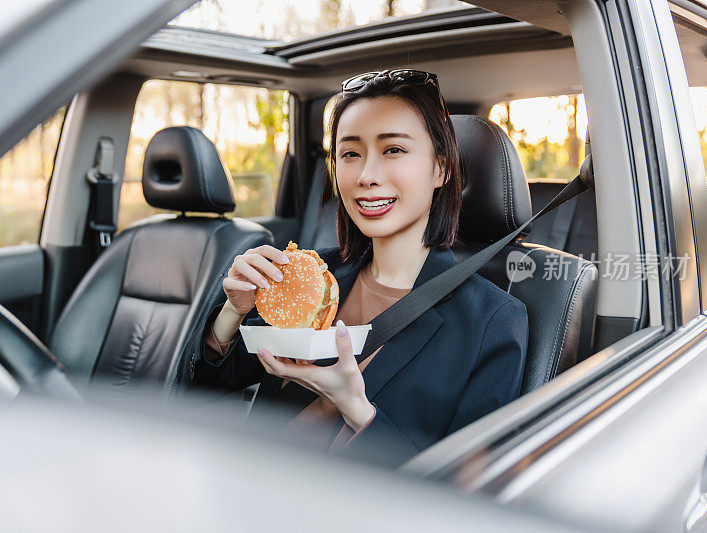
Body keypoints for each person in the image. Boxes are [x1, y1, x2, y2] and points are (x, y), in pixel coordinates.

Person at [193, 69, 528, 468]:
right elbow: (208, 385)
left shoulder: (492, 322)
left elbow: (470, 490)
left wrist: (358, 411)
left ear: (441, 168)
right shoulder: (307, 279)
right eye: (350, 154)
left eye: (394, 150)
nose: (367, 176)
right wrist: (234, 312)